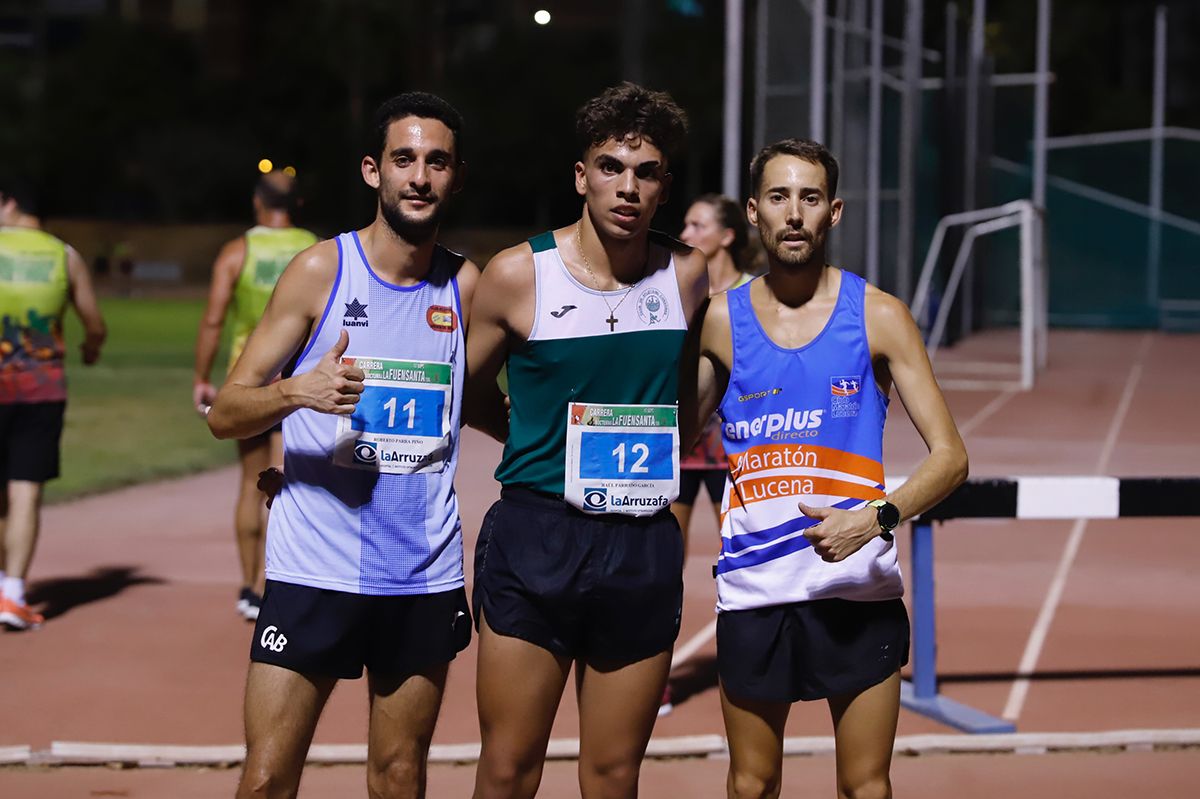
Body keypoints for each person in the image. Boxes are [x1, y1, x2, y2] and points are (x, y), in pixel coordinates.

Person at [206, 92, 477, 799]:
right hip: (312, 567)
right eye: (404, 159)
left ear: (455, 175)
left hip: (420, 572)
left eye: (436, 161)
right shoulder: (320, 271)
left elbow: (488, 405)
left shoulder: (466, 285)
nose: (420, 176)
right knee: (266, 779)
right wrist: (298, 392)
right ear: (372, 171)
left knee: (398, 775)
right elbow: (226, 411)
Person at [686, 139, 968, 799]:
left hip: (857, 588)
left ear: (832, 211)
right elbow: (673, 431)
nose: (793, 213)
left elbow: (951, 456)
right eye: (778, 197)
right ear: (754, 212)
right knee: (752, 784)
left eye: (809, 198)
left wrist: (874, 518)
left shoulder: (879, 315)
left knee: (866, 786)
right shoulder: (720, 319)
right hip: (756, 590)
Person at [463, 82, 708, 799]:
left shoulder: (686, 275)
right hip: (537, 533)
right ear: (581, 176)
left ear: (664, 188)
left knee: (611, 774)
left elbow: (695, 388)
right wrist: (528, 435)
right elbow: (471, 388)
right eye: (610, 166)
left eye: (646, 172)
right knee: (508, 769)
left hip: (640, 541)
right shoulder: (517, 274)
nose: (626, 187)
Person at [193, 170, 318, 621]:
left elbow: (212, 319)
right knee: (297, 478)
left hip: (247, 381)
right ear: (297, 204)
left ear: (257, 202)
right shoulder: (317, 251)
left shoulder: (238, 251)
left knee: (251, 483)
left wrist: (202, 378)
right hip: (302, 384)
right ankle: (288, 580)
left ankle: (249, 587)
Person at [0, 182, 106, 630]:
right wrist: (90, 348)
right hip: (40, 389)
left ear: (10, 205)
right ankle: (13, 594)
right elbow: (94, 323)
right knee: (25, 489)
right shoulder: (63, 255)